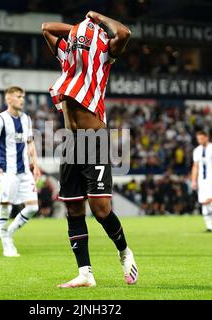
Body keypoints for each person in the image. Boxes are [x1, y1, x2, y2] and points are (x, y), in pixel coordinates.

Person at [43, 11, 138, 288]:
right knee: (73, 209)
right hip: (70, 142)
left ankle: (124, 253)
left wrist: (96, 19)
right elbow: (46, 28)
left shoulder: (105, 55)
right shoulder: (67, 59)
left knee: (100, 209)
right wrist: (77, 29)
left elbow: (125, 33)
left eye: (85, 37)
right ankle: (85, 273)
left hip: (93, 140)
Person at [0, 86, 41, 257]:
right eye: (19, 96)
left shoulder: (26, 119)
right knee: (6, 206)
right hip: (7, 171)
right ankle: (7, 244)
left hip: (25, 171)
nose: (22, 100)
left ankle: (7, 232)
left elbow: (30, 143)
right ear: (8, 99)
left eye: (23, 96)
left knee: (33, 207)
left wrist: (36, 165)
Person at [191, 131, 212, 232]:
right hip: (201, 180)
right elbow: (195, 166)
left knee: (208, 200)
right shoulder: (197, 151)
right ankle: (209, 227)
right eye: (198, 139)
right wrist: (193, 180)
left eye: (202, 138)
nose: (200, 141)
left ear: (207, 137)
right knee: (203, 202)